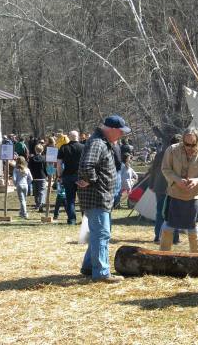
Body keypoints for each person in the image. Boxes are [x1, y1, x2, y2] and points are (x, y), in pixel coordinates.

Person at [77, 115, 130, 283]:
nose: (122, 135)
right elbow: (87, 165)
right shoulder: (98, 143)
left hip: (101, 196)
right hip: (97, 196)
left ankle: (88, 267)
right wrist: (91, 180)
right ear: (112, 130)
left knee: (98, 233)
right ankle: (101, 273)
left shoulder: (103, 142)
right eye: (120, 132)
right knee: (102, 234)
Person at [160, 127, 198, 253]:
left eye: (193, 144)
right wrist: (177, 180)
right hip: (175, 194)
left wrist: (197, 181)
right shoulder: (172, 150)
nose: (189, 147)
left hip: (195, 196)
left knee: (193, 230)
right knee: (168, 228)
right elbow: (165, 169)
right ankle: (162, 258)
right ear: (182, 140)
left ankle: (196, 261)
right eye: (186, 144)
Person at [147, 134, 181, 244]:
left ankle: (158, 236)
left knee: (160, 212)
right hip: (171, 187)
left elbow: (153, 171)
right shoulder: (179, 156)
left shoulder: (161, 154)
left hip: (160, 186)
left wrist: (151, 184)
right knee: (174, 212)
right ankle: (174, 238)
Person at [57, 131, 84, 225]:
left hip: (68, 175)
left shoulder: (63, 147)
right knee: (83, 199)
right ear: (78, 137)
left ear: (69, 137)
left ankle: (72, 220)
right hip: (81, 176)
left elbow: (59, 164)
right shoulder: (84, 147)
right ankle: (85, 219)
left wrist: (59, 175)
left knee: (70, 199)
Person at [28, 144, 48, 212]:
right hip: (42, 177)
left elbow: (29, 168)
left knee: (36, 192)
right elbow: (45, 168)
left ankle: (37, 204)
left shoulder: (31, 159)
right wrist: (47, 175)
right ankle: (41, 204)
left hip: (34, 177)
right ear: (42, 150)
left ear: (35, 150)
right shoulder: (44, 158)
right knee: (42, 191)